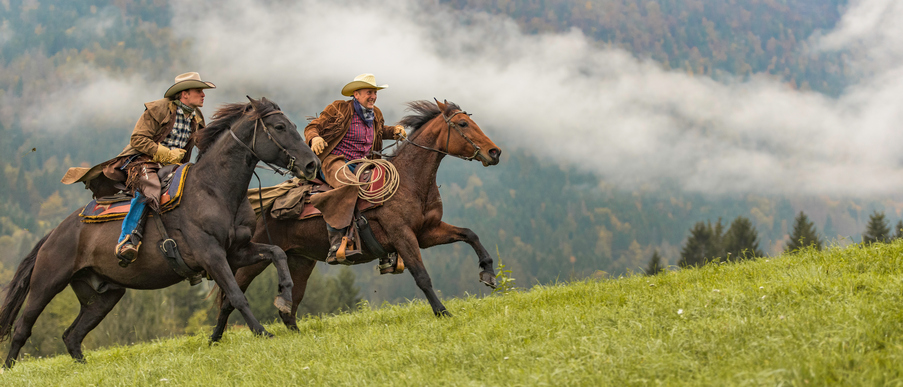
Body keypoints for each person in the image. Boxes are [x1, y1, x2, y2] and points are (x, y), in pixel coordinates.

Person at [62, 72, 215, 267]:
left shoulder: (197, 117)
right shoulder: (159, 109)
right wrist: (165, 153)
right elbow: (138, 139)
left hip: (173, 167)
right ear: (184, 94)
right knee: (150, 189)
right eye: (199, 91)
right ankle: (128, 239)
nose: (203, 95)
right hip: (140, 161)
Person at [304, 73, 405, 264]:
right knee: (348, 185)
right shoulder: (339, 108)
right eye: (369, 92)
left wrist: (394, 131)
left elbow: (380, 131)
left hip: (364, 163)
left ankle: (386, 247)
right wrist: (314, 138)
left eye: (375, 93)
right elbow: (313, 126)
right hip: (334, 160)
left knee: (390, 186)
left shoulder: (376, 114)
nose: (373, 96)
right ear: (356, 94)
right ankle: (335, 243)